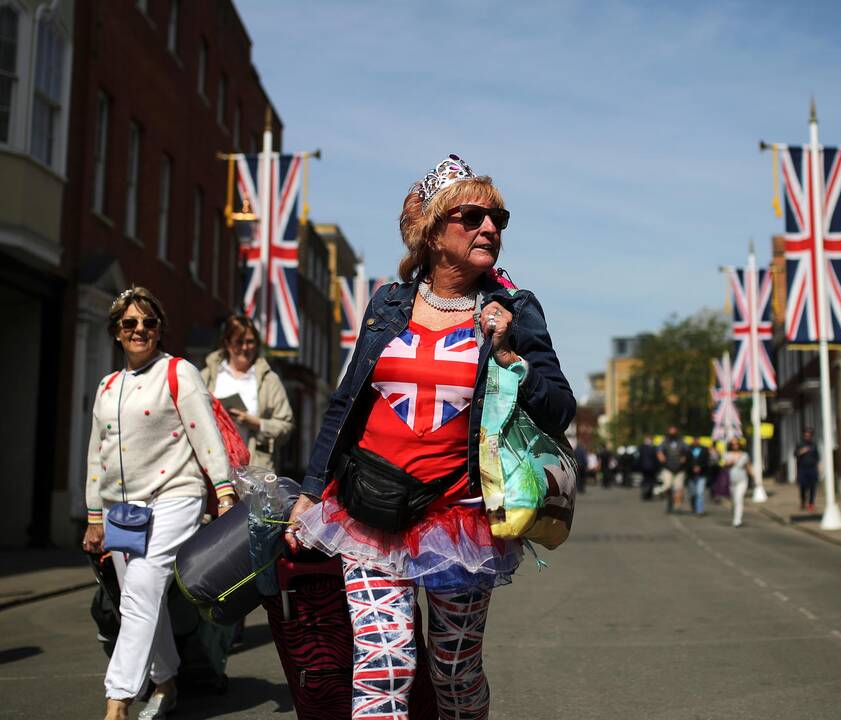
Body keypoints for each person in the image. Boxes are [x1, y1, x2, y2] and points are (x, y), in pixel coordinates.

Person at [286, 154, 575, 718]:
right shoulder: (388, 304)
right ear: (432, 231)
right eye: (471, 216)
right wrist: (310, 489)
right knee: (383, 664)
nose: (489, 227)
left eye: (498, 218)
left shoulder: (513, 310)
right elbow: (347, 403)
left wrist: (511, 352)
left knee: (454, 672)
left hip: (459, 520)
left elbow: (559, 408)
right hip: (367, 511)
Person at [81, 287, 236, 720]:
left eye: (149, 322)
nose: (140, 330)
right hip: (123, 511)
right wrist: (94, 515)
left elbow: (206, 435)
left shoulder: (178, 373)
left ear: (160, 329)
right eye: (130, 323)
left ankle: (117, 702)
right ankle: (166, 683)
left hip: (176, 497)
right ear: (116, 331)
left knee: (143, 587)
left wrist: (223, 491)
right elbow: (97, 453)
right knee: (138, 597)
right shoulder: (107, 386)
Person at [200, 314, 294, 472]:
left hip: (255, 468)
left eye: (250, 342)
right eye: (239, 342)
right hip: (213, 466)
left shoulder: (269, 380)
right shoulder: (207, 376)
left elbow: (286, 426)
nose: (245, 347)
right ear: (227, 344)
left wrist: (256, 423)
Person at [657, 426, 691, 513]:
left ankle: (677, 505)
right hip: (668, 468)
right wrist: (661, 458)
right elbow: (659, 451)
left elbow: (687, 451)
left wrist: (684, 457)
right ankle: (669, 501)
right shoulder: (665, 442)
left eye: (674, 431)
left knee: (678, 488)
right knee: (667, 486)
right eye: (671, 431)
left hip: (679, 469)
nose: (672, 433)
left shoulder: (681, 441)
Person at [723, 438, 751, 527]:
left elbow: (748, 466)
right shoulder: (727, 455)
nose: (735, 446)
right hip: (731, 480)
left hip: (742, 480)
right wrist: (728, 463)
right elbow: (723, 465)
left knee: (739, 499)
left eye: (736, 444)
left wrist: (756, 479)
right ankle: (735, 516)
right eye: (733, 444)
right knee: (734, 501)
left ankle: (737, 520)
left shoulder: (744, 455)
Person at [795, 427, 820, 511]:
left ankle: (811, 503)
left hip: (812, 469)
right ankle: (803, 501)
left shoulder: (814, 445)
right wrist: (801, 451)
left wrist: (818, 469)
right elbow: (795, 454)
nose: (807, 437)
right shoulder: (800, 444)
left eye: (809, 435)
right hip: (802, 469)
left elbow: (817, 457)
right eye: (806, 435)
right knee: (802, 486)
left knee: (813, 486)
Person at [688, 441, 710, 516]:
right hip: (691, 475)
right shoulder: (689, 449)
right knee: (693, 493)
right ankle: (694, 506)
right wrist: (692, 468)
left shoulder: (704, 450)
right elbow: (686, 462)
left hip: (701, 475)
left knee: (700, 493)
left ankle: (699, 510)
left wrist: (700, 467)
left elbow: (707, 462)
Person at [637, 436, 660, 501]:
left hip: (650, 468)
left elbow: (656, 459)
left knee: (649, 481)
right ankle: (646, 493)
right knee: (648, 481)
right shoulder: (643, 448)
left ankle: (647, 493)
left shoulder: (649, 448)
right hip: (647, 467)